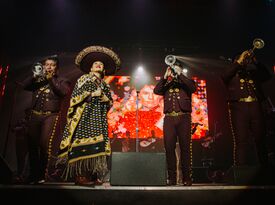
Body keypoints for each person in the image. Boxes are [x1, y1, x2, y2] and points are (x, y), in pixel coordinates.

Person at [57, 45, 121, 185]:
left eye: (101, 64)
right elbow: (75, 97)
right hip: (85, 116)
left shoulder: (104, 85)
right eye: (95, 63)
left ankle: (92, 175)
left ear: (103, 70)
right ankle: (81, 176)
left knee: (97, 146)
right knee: (84, 142)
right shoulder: (84, 79)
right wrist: (91, 94)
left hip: (99, 118)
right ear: (91, 68)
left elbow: (109, 102)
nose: (98, 65)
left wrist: (106, 100)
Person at [21, 55, 71, 184]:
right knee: (32, 145)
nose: (48, 67)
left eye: (52, 65)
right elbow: (24, 86)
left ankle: (42, 174)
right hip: (34, 115)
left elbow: (62, 92)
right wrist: (34, 76)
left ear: (56, 68)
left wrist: (50, 80)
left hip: (50, 116)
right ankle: (33, 175)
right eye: (46, 64)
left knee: (44, 145)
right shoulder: (38, 79)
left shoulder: (62, 80)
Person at [221, 50, 273, 167]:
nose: (244, 60)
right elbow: (224, 76)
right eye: (241, 59)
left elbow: (267, 75)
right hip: (238, 108)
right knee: (241, 140)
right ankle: (240, 167)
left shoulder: (253, 73)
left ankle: (264, 166)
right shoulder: (231, 73)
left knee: (260, 138)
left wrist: (256, 61)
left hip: (255, 107)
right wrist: (239, 61)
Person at [153, 62, 196, 186]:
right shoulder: (167, 84)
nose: (173, 70)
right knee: (169, 148)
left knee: (185, 149)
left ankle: (187, 178)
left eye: (176, 67)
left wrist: (180, 73)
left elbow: (193, 88)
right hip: (169, 119)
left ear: (181, 70)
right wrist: (165, 77)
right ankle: (172, 178)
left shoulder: (187, 82)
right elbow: (157, 90)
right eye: (172, 68)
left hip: (184, 118)